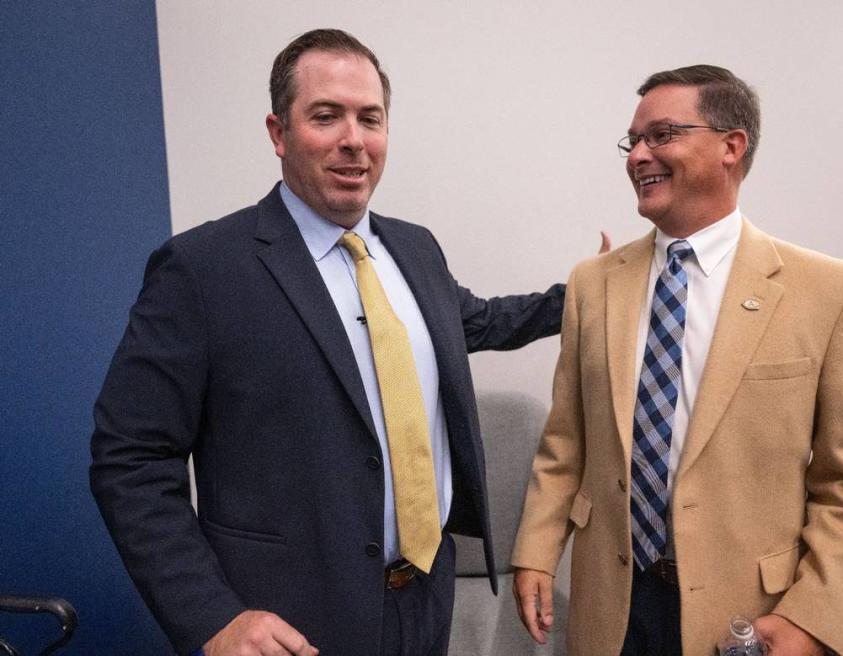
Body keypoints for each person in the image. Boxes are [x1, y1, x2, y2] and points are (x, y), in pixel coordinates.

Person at [90, 28, 590, 656]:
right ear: (279, 133)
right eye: (326, 116)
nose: (353, 139)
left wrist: (587, 294)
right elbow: (130, 457)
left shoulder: (415, 249)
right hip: (288, 623)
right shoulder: (202, 269)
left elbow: (480, 321)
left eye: (369, 118)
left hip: (426, 598)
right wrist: (212, 618)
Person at [511, 65, 843, 656]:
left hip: (747, 617)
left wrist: (814, 619)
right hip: (610, 607)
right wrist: (536, 552)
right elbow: (565, 444)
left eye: (661, 135)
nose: (638, 155)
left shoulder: (830, 292)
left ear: (731, 147)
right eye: (633, 141)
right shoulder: (592, 284)